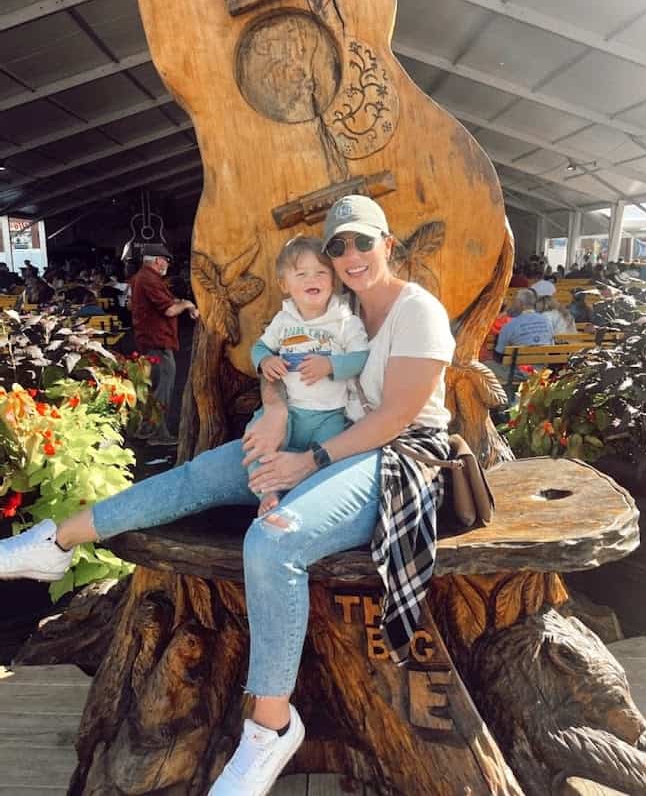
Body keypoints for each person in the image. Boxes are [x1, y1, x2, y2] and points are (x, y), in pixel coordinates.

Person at [0, 196, 456, 795]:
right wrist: (273, 413)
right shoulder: (334, 304)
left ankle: (270, 727)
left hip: (394, 456)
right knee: (198, 477)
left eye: (362, 243)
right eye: (339, 246)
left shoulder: (416, 310)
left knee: (271, 543)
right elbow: (282, 368)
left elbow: (396, 416)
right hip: (318, 438)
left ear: (387, 245)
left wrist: (306, 462)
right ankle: (56, 540)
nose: (350, 256)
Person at [246, 235, 368, 515]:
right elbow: (260, 347)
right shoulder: (284, 319)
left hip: (330, 414)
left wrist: (331, 366)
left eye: (321, 272)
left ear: (333, 280)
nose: (311, 279)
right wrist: (265, 359)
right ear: (284, 285)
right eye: (301, 274)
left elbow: (361, 358)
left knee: (327, 460)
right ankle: (268, 491)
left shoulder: (344, 320)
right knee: (255, 435)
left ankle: (304, 500)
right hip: (291, 411)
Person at [131, 243, 200, 446]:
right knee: (163, 389)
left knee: (153, 388)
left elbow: (167, 302)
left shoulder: (142, 278)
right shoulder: (149, 279)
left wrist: (183, 303)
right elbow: (169, 309)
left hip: (149, 340)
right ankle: (158, 434)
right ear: (158, 261)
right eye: (166, 261)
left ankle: (145, 429)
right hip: (158, 342)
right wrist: (188, 305)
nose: (167, 264)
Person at [494, 289, 554, 357]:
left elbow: (499, 352)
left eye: (515, 301)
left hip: (515, 366)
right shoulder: (547, 321)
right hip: (543, 364)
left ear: (519, 303)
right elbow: (551, 345)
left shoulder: (510, 325)